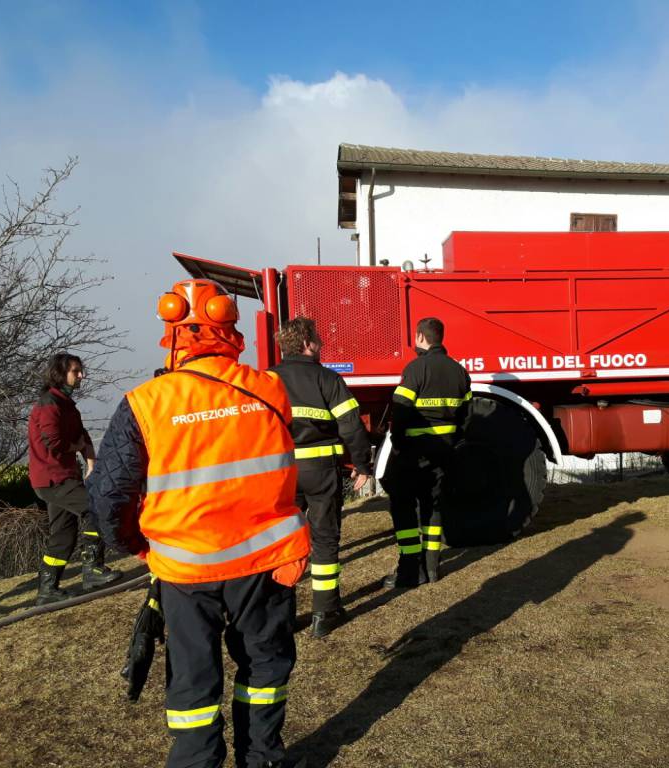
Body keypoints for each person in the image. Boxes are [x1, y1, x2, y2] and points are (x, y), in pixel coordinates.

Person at [88, 279, 310, 768]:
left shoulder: (145, 403)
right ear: (232, 329)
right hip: (266, 562)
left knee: (192, 681)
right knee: (265, 667)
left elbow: (108, 495)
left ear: (170, 334)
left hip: (186, 572)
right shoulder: (271, 389)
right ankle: (263, 758)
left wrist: (136, 545)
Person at [270, 317, 373, 637]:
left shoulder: (265, 380)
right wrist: (362, 465)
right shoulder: (328, 380)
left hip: (280, 474)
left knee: (281, 543)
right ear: (305, 344)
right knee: (325, 539)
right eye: (317, 339)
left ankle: (279, 615)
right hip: (321, 472)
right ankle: (325, 612)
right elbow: (352, 427)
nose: (322, 344)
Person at [383, 317, 471, 588]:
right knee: (433, 506)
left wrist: (397, 445)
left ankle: (410, 571)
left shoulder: (416, 369)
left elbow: (400, 411)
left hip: (414, 453)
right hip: (444, 452)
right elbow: (466, 417)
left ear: (421, 337)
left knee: (403, 505)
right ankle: (432, 567)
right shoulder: (459, 371)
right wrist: (454, 444)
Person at [28, 353, 122, 604]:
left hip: (61, 479)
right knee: (97, 508)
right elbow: (54, 444)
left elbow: (83, 436)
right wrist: (77, 446)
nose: (81, 376)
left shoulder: (67, 405)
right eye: (76, 371)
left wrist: (90, 462)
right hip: (53, 480)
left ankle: (47, 590)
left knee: (63, 535)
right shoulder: (49, 404)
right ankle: (93, 571)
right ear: (60, 374)